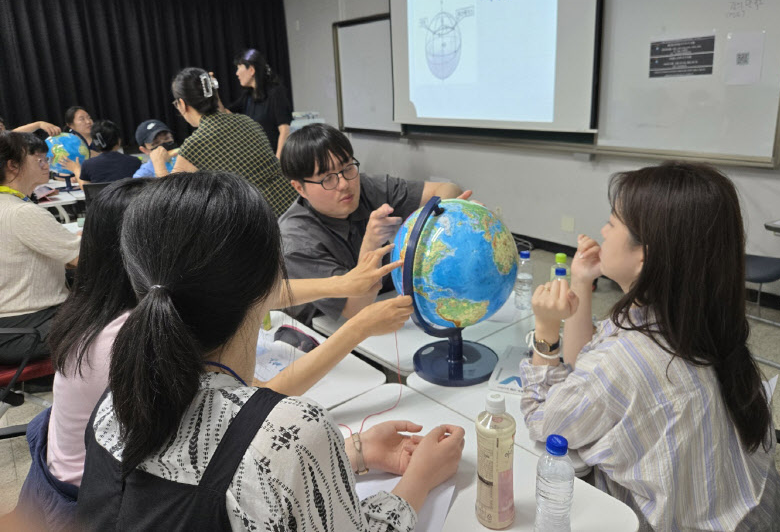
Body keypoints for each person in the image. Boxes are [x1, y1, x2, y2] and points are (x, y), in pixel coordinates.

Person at [76, 172, 465, 531]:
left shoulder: (120, 399)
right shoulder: (290, 428)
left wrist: (353, 453)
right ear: (272, 281)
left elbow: (237, 478)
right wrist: (420, 479)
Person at [519, 162, 780, 529]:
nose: (602, 229)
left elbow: (546, 421)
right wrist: (583, 282)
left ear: (645, 255)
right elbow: (586, 365)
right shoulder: (695, 317)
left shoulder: (627, 360)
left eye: (613, 222)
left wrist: (546, 329)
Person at [278, 123, 470, 323]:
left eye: (348, 167)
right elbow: (354, 309)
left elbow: (448, 189)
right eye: (327, 178)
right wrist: (371, 244)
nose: (344, 184)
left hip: (390, 304)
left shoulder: (365, 188)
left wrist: (450, 213)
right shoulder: (295, 241)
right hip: (327, 331)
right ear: (299, 188)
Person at [152, 67, 296, 217]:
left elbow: (169, 201)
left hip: (263, 222)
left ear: (182, 104)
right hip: (293, 207)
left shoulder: (195, 145)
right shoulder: (246, 122)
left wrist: (158, 163)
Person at [0, 132, 80, 364]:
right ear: (13, 166)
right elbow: (84, 258)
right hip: (28, 328)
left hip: (9, 327)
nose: (47, 165)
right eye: (40, 161)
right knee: (113, 317)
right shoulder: (21, 212)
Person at [222, 48, 292, 159]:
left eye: (239, 68)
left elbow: (284, 130)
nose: (236, 73)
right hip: (256, 161)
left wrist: (277, 163)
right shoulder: (248, 96)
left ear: (251, 70)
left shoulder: (276, 93)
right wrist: (213, 91)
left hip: (273, 162)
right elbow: (224, 113)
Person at [62, 120, 140, 187]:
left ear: (96, 143)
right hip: (129, 204)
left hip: (102, 204)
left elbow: (85, 187)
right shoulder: (135, 162)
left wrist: (76, 169)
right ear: (119, 141)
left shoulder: (88, 164)